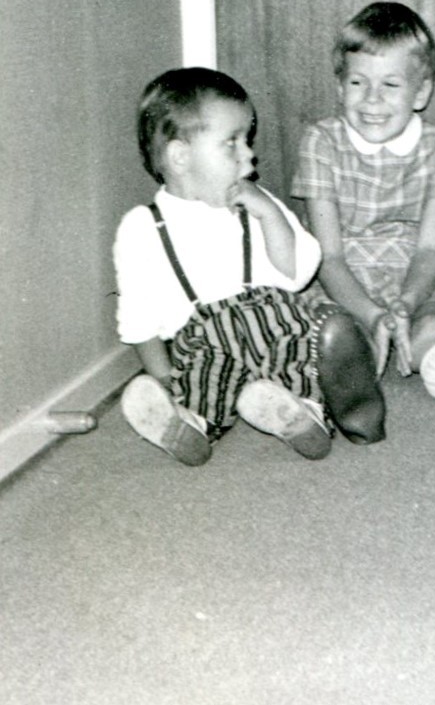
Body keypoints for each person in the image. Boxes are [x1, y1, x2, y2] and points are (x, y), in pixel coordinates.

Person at [115, 67, 383, 467]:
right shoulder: (142, 227)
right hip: (205, 342)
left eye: (247, 140)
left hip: (275, 324)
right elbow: (139, 318)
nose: (249, 154)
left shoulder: (257, 203)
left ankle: (303, 414)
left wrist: (270, 215)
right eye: (232, 143)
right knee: (202, 378)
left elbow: (298, 273)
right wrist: (164, 378)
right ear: (180, 156)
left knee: (302, 350)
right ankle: (190, 425)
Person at [292, 1, 435, 439]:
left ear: (421, 93)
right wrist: (373, 314)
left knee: (433, 326)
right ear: (339, 86)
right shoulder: (321, 141)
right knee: (335, 331)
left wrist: (406, 304)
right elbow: (329, 256)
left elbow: (432, 248)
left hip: (415, 277)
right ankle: (355, 400)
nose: (372, 99)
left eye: (390, 84)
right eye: (357, 82)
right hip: (342, 282)